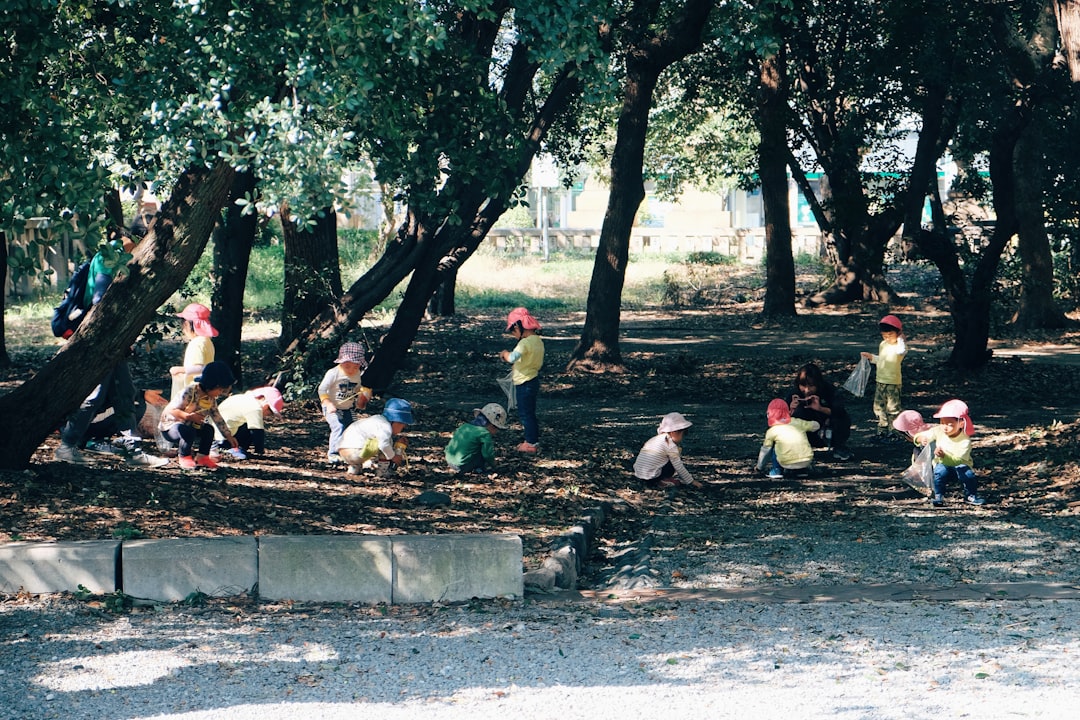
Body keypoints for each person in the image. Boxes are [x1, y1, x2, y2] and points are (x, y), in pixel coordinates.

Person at [52, 232, 168, 468]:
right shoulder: (110, 257)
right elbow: (99, 299)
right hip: (100, 344)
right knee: (95, 395)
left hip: (113, 345)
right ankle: (67, 445)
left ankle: (132, 449)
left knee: (125, 392)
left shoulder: (109, 258)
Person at [159, 361, 239, 470]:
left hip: (191, 426)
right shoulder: (189, 392)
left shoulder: (210, 399)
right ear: (211, 385)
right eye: (220, 389)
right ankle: (184, 456)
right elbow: (171, 410)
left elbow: (217, 418)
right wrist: (188, 416)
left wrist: (228, 435)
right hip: (171, 427)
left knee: (208, 430)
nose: (220, 393)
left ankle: (203, 457)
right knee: (187, 431)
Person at [913, 399, 986, 507]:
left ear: (961, 424)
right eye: (942, 422)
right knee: (939, 472)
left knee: (968, 475)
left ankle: (970, 495)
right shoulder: (938, 430)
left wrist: (943, 456)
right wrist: (921, 438)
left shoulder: (965, 440)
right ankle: (938, 495)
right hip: (942, 463)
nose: (945, 427)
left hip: (960, 464)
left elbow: (958, 460)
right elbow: (921, 435)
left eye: (950, 424)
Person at [785, 363, 853, 461]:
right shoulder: (794, 394)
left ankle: (839, 447)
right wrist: (791, 410)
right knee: (795, 417)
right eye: (803, 385)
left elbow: (840, 412)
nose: (807, 390)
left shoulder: (829, 390)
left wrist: (821, 408)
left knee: (842, 418)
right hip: (806, 433)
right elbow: (780, 419)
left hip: (827, 431)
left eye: (811, 386)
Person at [318, 342, 371, 464]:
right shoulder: (333, 373)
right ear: (341, 362)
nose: (352, 370)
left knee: (353, 428)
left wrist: (362, 395)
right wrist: (327, 402)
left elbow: (357, 388)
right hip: (332, 406)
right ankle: (333, 454)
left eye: (356, 367)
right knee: (339, 426)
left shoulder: (357, 374)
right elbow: (322, 389)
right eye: (348, 366)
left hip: (348, 407)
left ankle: (350, 452)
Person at [500, 307, 544, 454]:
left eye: (513, 331)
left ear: (518, 326)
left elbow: (513, 358)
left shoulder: (524, 343)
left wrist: (505, 354)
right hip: (533, 380)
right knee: (529, 412)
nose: (513, 334)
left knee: (525, 414)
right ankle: (531, 439)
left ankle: (531, 443)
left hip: (524, 382)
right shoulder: (537, 341)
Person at [861, 314, 908, 442]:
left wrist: (901, 339)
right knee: (879, 406)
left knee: (893, 408)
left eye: (890, 335)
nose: (887, 338)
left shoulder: (899, 346)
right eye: (884, 335)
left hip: (893, 382)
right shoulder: (883, 345)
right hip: (880, 380)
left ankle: (895, 432)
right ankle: (882, 430)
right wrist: (871, 357)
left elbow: (901, 352)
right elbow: (882, 360)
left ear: (897, 333)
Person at [339, 398, 414, 476]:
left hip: (343, 450)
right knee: (387, 443)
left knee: (380, 441)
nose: (403, 427)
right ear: (397, 421)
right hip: (355, 452)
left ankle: (354, 467)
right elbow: (384, 445)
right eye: (402, 425)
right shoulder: (385, 426)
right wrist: (394, 456)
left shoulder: (377, 420)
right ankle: (382, 471)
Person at [633, 412, 702, 489]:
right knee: (674, 460)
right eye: (684, 433)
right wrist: (691, 481)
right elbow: (679, 467)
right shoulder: (670, 445)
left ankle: (658, 479)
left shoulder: (654, 439)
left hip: (639, 474)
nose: (683, 437)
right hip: (652, 477)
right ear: (674, 432)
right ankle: (662, 480)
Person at [213, 386, 284, 459]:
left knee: (248, 424)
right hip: (224, 438)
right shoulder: (255, 408)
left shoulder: (244, 398)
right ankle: (233, 449)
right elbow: (258, 432)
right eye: (270, 412)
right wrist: (259, 451)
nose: (268, 415)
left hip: (218, 432)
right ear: (265, 404)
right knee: (253, 427)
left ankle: (235, 448)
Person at [756, 398, 819, 479]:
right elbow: (815, 426)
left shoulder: (772, 431)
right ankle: (801, 470)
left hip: (785, 462)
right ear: (788, 411)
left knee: (774, 447)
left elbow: (765, 451)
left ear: (768, 415)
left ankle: (777, 470)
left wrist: (759, 467)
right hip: (806, 460)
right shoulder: (797, 422)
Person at [170, 303, 218, 400]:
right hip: (204, 391)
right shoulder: (207, 341)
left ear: (187, 324)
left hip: (194, 393)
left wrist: (179, 370)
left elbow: (200, 368)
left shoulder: (197, 343)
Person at [445, 403, 508, 474]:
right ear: (492, 425)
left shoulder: (464, 426)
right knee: (482, 451)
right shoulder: (484, 433)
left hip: (449, 461)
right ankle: (479, 470)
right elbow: (487, 454)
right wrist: (494, 464)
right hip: (462, 465)